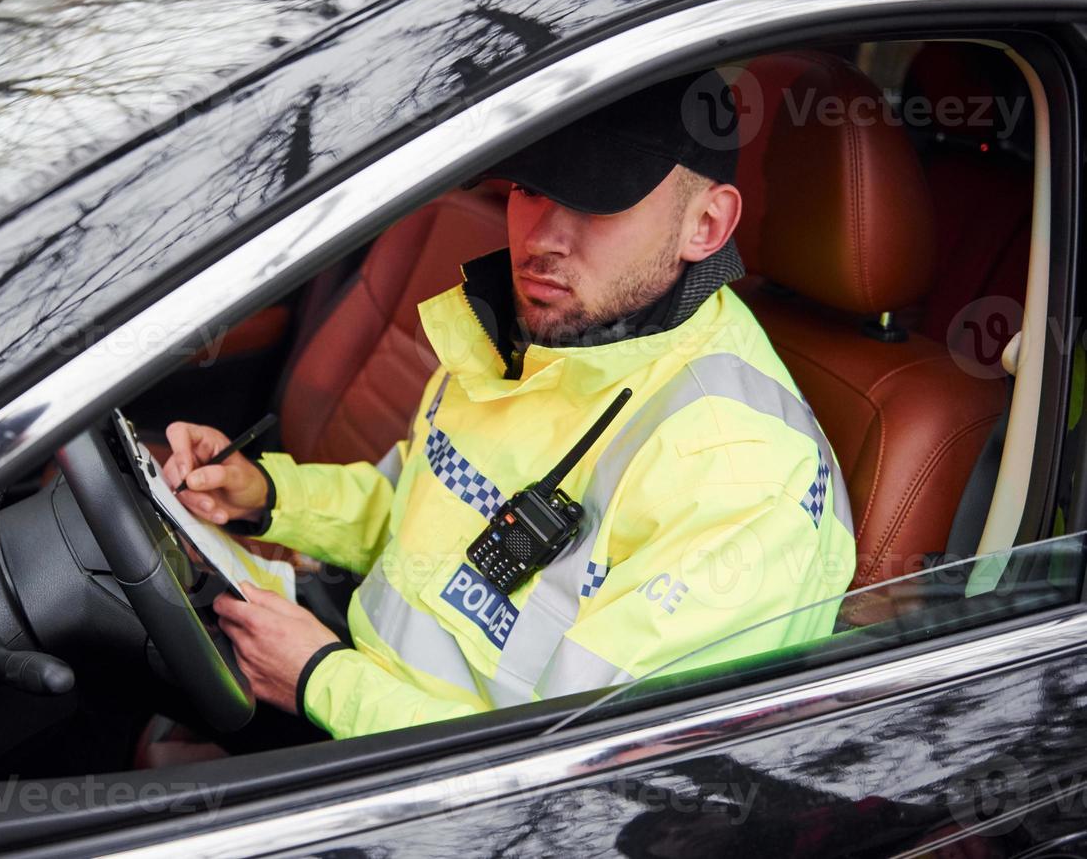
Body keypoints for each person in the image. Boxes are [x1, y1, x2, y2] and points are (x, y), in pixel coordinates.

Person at [162, 70, 857, 741]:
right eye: (529, 187)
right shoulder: (534, 339)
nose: (540, 239)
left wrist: (321, 681)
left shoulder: (743, 478)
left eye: (596, 200)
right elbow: (415, 518)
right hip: (356, 709)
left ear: (705, 226)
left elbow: (580, 772)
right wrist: (270, 493)